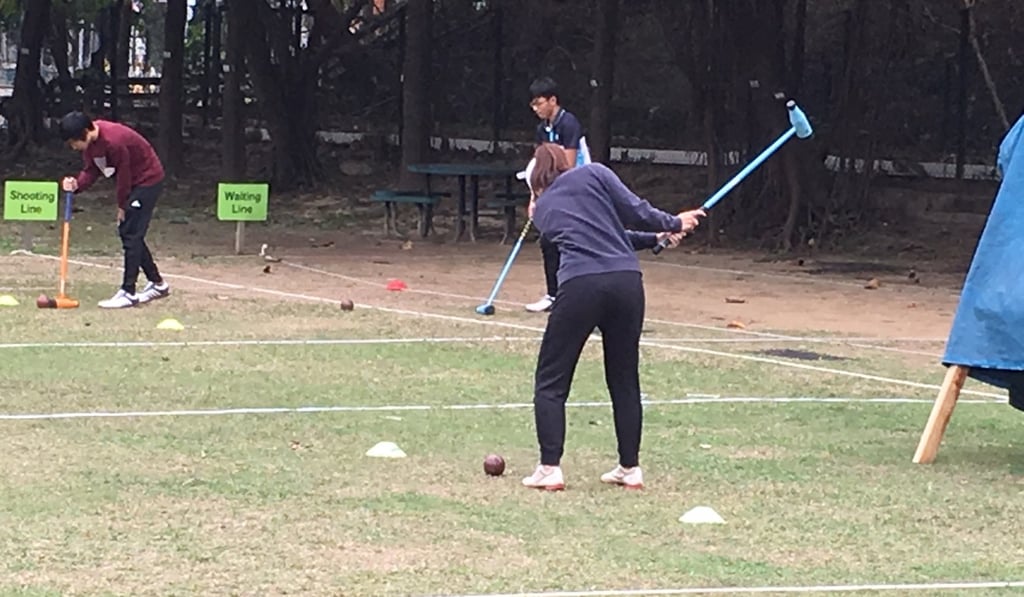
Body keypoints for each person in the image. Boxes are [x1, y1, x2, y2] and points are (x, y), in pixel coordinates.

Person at [519, 143, 705, 491]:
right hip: (626, 284)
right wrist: (669, 224)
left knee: (551, 380)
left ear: (536, 181)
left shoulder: (542, 212)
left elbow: (603, 234)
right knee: (623, 378)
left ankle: (549, 467)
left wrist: (662, 232)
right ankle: (630, 467)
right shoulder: (596, 174)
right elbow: (632, 212)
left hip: (580, 286)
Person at [59, 111, 170, 309]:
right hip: (133, 183)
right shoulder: (92, 145)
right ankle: (158, 284)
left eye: (74, 142)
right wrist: (76, 184)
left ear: (85, 132)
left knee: (131, 233)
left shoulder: (113, 141)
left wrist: (122, 205)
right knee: (129, 232)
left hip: (147, 180)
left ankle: (128, 292)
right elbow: (92, 170)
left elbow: (124, 176)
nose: (73, 147)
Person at [524, 76, 590, 314]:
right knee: (548, 241)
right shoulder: (542, 128)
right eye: (533, 105)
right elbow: (540, 166)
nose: (536, 108)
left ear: (552, 100)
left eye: (539, 103)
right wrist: (535, 198)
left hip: (576, 190)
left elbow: (568, 166)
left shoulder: (569, 123)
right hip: (553, 192)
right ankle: (553, 295)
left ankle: (572, 295)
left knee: (569, 243)